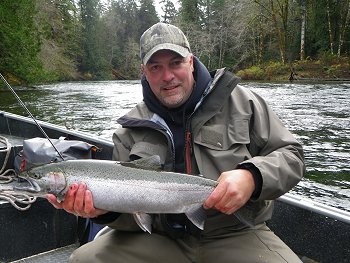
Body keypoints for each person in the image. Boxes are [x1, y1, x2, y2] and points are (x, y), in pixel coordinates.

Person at [47, 22, 305, 263]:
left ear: (191, 62)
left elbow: (291, 155)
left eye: (176, 62)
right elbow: (131, 218)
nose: (167, 76)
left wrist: (252, 177)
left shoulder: (242, 103)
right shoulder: (129, 131)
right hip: (159, 238)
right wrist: (102, 212)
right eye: (155, 67)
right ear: (144, 72)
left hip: (234, 232)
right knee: (84, 259)